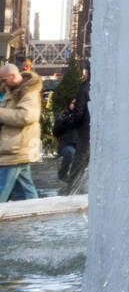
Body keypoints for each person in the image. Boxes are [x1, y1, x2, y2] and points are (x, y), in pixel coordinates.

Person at [0, 62, 43, 201]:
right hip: (16, 147)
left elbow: (27, 116)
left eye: (4, 80)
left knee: (2, 189)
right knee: (25, 193)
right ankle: (36, 218)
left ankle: (36, 217)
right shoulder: (12, 91)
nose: (3, 83)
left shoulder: (29, 91)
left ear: (13, 76)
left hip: (16, 148)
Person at [53, 98, 78, 183]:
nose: (74, 105)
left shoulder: (81, 115)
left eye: (76, 103)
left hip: (79, 145)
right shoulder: (63, 115)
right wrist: (63, 122)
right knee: (70, 152)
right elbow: (55, 132)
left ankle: (76, 177)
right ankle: (62, 174)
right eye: (72, 103)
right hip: (65, 145)